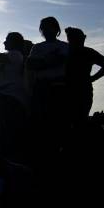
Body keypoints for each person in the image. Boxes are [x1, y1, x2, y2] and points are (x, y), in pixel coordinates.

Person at [26, 16, 70, 146]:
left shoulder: (64, 46)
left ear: (56, 29)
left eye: (48, 27)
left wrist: (42, 62)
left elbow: (61, 61)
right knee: (41, 123)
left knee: (58, 123)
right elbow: (30, 65)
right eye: (43, 28)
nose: (45, 31)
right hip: (41, 88)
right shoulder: (37, 48)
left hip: (59, 88)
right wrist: (49, 60)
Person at [0, 31, 31, 159]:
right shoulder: (9, 56)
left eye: (7, 40)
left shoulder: (16, 55)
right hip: (5, 97)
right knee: (4, 130)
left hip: (11, 98)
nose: (4, 42)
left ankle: (11, 156)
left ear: (14, 42)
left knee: (9, 130)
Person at [63, 27, 104, 123]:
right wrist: (92, 78)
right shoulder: (67, 51)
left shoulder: (86, 52)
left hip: (80, 90)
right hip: (71, 90)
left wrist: (92, 78)